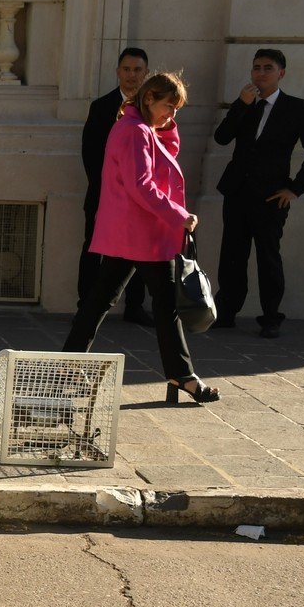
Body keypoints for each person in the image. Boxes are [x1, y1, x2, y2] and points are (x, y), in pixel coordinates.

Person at [62, 72, 220, 404]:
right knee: (162, 306)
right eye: (168, 107)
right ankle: (182, 376)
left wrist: (164, 126)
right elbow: (141, 185)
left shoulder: (137, 129)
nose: (172, 115)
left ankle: (68, 366)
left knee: (100, 300)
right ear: (149, 99)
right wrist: (181, 216)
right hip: (144, 233)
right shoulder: (135, 132)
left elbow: (163, 157)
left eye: (176, 110)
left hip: (133, 232)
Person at [211, 49, 304, 338]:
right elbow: (222, 137)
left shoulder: (296, 107)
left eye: (267, 68)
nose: (260, 73)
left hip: (271, 195)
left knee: (268, 257)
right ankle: (226, 312)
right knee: (232, 255)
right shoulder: (246, 103)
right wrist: (241, 104)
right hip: (237, 191)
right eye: (256, 68)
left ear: (281, 73)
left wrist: (295, 189)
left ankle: (271, 317)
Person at [81, 48, 153, 325]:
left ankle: (135, 307)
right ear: (117, 72)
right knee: (93, 249)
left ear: (146, 73)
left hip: (140, 199)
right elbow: (90, 154)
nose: (131, 75)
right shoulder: (101, 107)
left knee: (138, 253)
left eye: (137, 70)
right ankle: (85, 305)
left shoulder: (153, 109)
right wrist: (105, 192)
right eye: (126, 69)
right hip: (103, 196)